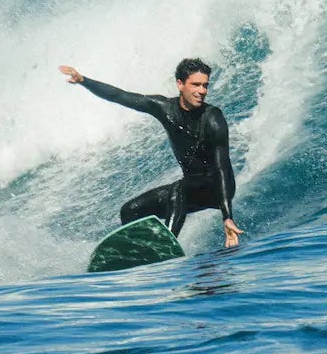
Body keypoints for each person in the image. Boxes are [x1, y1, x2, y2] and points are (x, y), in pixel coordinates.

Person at [58, 58, 242, 249]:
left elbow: (223, 167)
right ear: (180, 84)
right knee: (130, 210)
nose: (202, 91)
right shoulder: (164, 108)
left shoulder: (213, 118)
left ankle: (165, 247)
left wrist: (227, 216)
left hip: (217, 188)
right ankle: (141, 251)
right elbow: (119, 96)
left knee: (178, 189)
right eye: (196, 84)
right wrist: (83, 80)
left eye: (205, 85)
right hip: (188, 190)